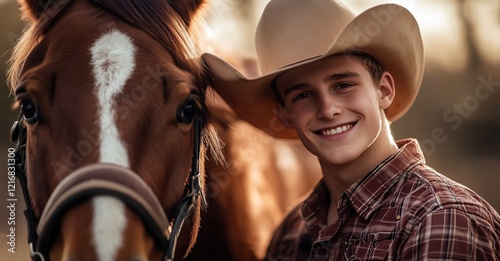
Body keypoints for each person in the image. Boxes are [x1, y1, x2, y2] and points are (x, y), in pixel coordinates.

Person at [202, 0, 500, 260]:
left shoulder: (441, 219)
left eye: (343, 85)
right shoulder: (290, 235)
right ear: (283, 115)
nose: (328, 109)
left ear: (384, 90)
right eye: (303, 95)